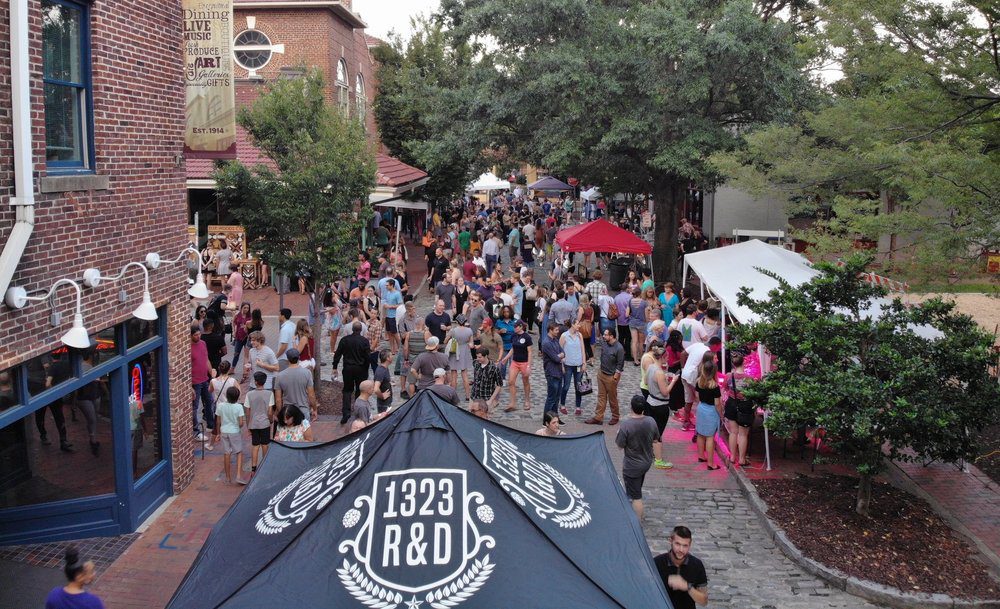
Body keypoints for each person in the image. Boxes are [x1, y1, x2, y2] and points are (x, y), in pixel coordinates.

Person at [616, 394, 661, 520]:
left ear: (631, 407)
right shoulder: (651, 421)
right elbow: (656, 440)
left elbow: (620, 445)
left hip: (632, 465)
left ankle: (637, 520)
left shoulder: (626, 425)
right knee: (636, 487)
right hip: (646, 462)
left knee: (636, 496)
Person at [654, 526, 709, 608]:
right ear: (671, 541)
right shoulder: (656, 563)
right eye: (677, 544)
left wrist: (687, 587)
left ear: (690, 545)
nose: (681, 549)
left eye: (685, 546)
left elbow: (704, 601)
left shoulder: (697, 565)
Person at [332, 322, 371, 425]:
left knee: (347, 390)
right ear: (361, 330)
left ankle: (346, 413)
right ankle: (358, 412)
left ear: (352, 329)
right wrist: (366, 368)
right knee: (360, 390)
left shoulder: (345, 340)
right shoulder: (364, 341)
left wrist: (334, 366)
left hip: (348, 368)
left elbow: (337, 354)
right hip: (361, 369)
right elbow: (368, 357)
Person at [680, 336, 721, 432]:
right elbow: (705, 369)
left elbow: (683, 354)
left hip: (685, 374)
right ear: (715, 345)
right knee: (701, 400)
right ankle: (702, 423)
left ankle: (686, 422)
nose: (718, 351)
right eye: (718, 348)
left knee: (689, 399)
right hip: (693, 376)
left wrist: (683, 368)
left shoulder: (697, 344)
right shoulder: (707, 352)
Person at [586, 328, 624, 425]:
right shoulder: (604, 343)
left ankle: (615, 416)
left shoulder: (619, 348)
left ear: (612, 336)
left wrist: (615, 377)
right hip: (601, 373)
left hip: (611, 376)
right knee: (601, 396)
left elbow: (620, 364)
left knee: (612, 398)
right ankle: (598, 417)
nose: (603, 336)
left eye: (606, 335)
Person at [213, 386, 248, 485]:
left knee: (226, 453)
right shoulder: (238, 407)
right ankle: (238, 475)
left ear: (227, 396)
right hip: (235, 431)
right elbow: (241, 423)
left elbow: (218, 421)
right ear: (237, 397)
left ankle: (228, 478)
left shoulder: (221, 406)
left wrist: (218, 434)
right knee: (239, 452)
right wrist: (240, 425)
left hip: (224, 431)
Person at [725, 353, 754, 467]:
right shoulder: (749, 379)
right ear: (744, 362)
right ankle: (742, 459)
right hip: (745, 405)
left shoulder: (728, 376)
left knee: (733, 432)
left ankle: (732, 456)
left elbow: (725, 388)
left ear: (733, 363)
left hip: (732, 403)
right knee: (743, 434)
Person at [274, 348, 318, 422]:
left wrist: (279, 412)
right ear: (298, 358)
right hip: (303, 410)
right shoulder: (307, 373)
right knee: (304, 432)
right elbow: (311, 395)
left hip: (288, 411)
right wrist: (314, 409)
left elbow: (278, 400)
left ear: (287, 359)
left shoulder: (280, 376)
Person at [695, 360, 723, 470]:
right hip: (711, 411)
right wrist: (721, 414)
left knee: (700, 434)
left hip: (701, 408)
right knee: (710, 437)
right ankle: (711, 463)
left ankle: (701, 456)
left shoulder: (699, 382)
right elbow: (717, 404)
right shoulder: (715, 386)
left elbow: (697, 397)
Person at [244, 371, 274, 474]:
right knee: (265, 444)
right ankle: (265, 465)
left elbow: (247, 411)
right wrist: (270, 420)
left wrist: (248, 425)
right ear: (264, 382)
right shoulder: (270, 394)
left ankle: (253, 468)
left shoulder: (249, 394)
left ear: (255, 382)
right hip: (265, 423)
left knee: (255, 445)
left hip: (254, 423)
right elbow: (270, 411)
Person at [190, 324, 216, 443]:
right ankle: (195, 432)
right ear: (190, 335)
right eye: (195, 335)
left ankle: (211, 425)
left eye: (199, 334)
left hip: (205, 379)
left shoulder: (203, 343)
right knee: (194, 407)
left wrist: (212, 374)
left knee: (209, 401)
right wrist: (189, 386)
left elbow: (206, 360)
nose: (198, 336)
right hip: (194, 382)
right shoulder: (188, 347)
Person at [500, 320, 533, 412]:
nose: (514, 328)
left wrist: (529, 366)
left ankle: (527, 400)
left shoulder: (527, 337)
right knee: (511, 381)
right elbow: (513, 348)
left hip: (524, 362)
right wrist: (506, 358)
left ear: (521, 327)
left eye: (515, 327)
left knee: (525, 382)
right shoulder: (513, 336)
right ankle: (512, 403)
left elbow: (530, 352)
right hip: (515, 362)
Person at [559, 320, 587, 416]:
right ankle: (562, 404)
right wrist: (561, 365)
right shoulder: (564, 336)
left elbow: (583, 349)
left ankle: (578, 406)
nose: (579, 325)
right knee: (566, 386)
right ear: (572, 324)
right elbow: (559, 351)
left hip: (578, 364)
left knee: (578, 386)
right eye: (577, 324)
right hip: (568, 365)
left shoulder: (580, 335)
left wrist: (584, 363)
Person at [446, 314, 474, 400]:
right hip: (464, 352)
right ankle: (468, 396)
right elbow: (471, 344)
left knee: (454, 375)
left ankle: (452, 396)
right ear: (465, 321)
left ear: (457, 322)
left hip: (455, 352)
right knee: (464, 375)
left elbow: (445, 340)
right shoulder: (469, 330)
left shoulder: (453, 330)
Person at [541, 323, 566, 416]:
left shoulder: (555, 340)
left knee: (556, 398)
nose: (558, 331)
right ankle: (546, 419)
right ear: (550, 330)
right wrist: (559, 356)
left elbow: (563, 352)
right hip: (551, 373)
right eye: (556, 330)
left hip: (558, 372)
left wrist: (559, 356)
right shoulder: (546, 343)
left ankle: (555, 418)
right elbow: (556, 358)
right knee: (551, 398)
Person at [470, 346, 504, 413]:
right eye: (477, 357)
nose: (477, 359)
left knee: (485, 417)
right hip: (474, 397)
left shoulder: (494, 368)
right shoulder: (476, 363)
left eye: (480, 357)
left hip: (486, 398)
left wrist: (491, 400)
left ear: (486, 356)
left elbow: (499, 385)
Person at [231, 302, 252, 370]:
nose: (246, 309)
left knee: (247, 356)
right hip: (238, 337)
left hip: (247, 338)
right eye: (244, 308)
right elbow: (233, 322)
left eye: (247, 308)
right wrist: (233, 331)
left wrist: (247, 327)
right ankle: (232, 368)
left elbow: (253, 325)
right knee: (236, 354)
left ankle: (245, 371)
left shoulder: (250, 316)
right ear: (241, 307)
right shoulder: (237, 314)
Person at [373, 349, 394, 414]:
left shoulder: (385, 368)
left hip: (387, 402)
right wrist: (382, 396)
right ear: (387, 358)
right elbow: (376, 389)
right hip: (383, 404)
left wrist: (389, 383)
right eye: (391, 355)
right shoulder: (381, 371)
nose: (392, 356)